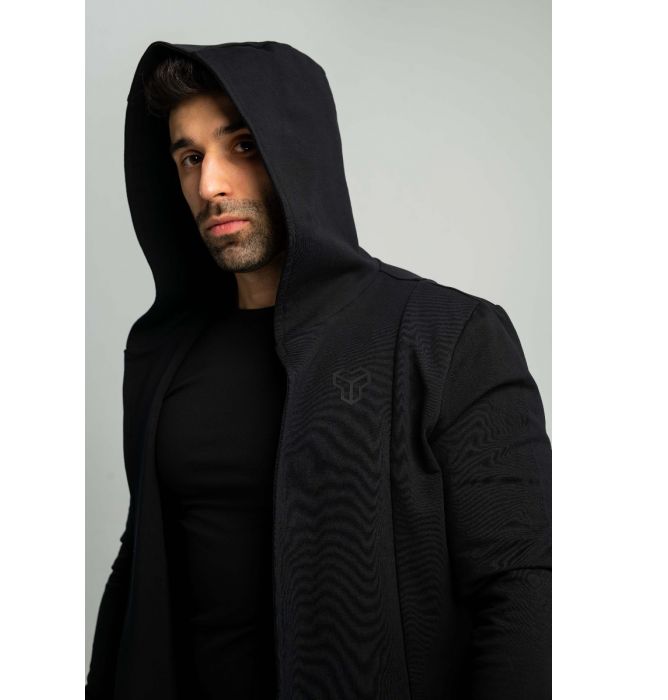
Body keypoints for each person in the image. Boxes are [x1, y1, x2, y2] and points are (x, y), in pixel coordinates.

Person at [86, 40, 552, 700]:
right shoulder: (161, 354)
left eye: (243, 146)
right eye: (190, 157)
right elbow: (140, 564)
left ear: (297, 151)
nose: (210, 185)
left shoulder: (449, 337)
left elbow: (522, 586)